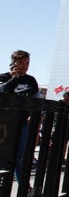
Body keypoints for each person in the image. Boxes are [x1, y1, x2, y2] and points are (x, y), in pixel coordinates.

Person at [0, 50, 40, 189]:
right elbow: (2, 92)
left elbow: (36, 99)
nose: (24, 66)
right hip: (4, 123)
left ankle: (24, 187)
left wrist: (36, 122)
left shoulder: (31, 80)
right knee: (3, 155)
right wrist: (14, 79)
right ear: (13, 63)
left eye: (27, 63)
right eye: (21, 62)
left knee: (20, 156)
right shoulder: (4, 77)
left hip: (22, 122)